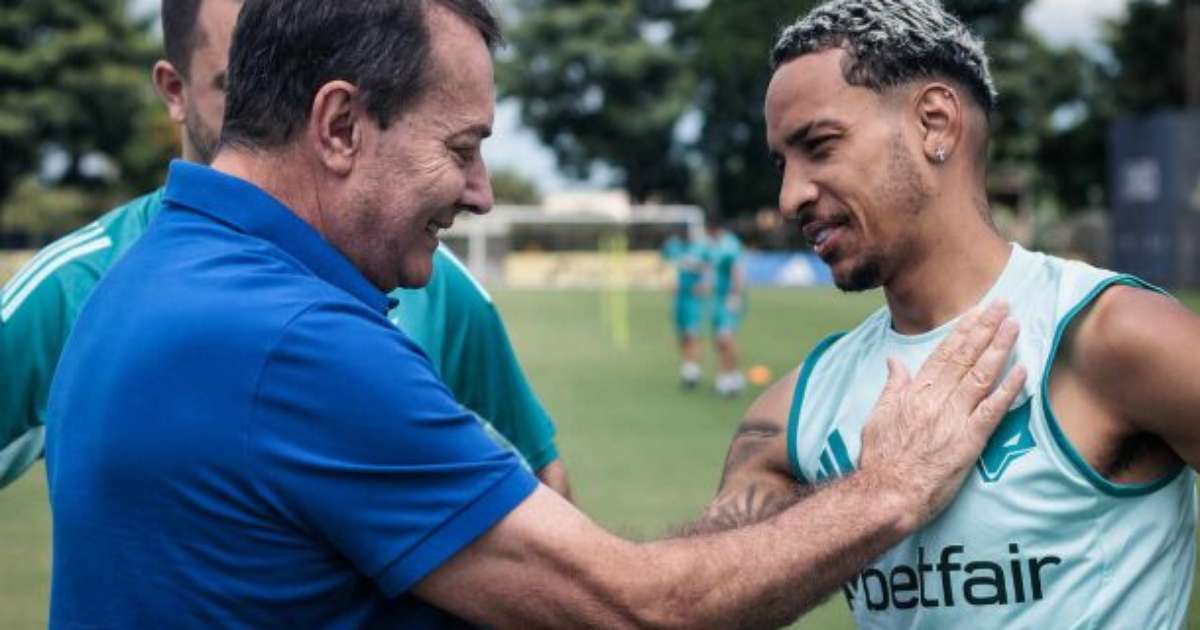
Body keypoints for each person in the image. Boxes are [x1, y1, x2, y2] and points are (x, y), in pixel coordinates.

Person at [45, 1, 1025, 627]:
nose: (480, 193)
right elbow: (631, 611)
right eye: (462, 146)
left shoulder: (155, 268)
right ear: (340, 126)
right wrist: (885, 490)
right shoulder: (292, 340)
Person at [698, 1, 1200, 627]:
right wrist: (878, 497)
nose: (790, 194)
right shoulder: (791, 412)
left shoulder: (1111, 337)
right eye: (782, 163)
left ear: (934, 123)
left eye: (819, 146)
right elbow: (690, 607)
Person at [0, 0, 570, 498]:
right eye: (236, 82)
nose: (277, 106)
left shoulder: (430, 278)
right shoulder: (75, 285)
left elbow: (542, 488)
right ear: (175, 91)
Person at [702, 217, 747, 396]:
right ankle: (724, 377)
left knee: (725, 338)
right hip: (718, 298)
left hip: (729, 298)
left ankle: (734, 377)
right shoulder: (714, 245)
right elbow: (712, 269)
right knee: (718, 340)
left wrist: (735, 295)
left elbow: (737, 271)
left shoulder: (730, 245)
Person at [661, 228, 708, 388]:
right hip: (679, 298)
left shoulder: (702, 248)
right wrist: (667, 279)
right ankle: (687, 365)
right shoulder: (672, 246)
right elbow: (665, 265)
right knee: (682, 334)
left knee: (691, 333)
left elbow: (710, 267)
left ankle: (693, 369)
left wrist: (705, 283)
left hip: (692, 297)